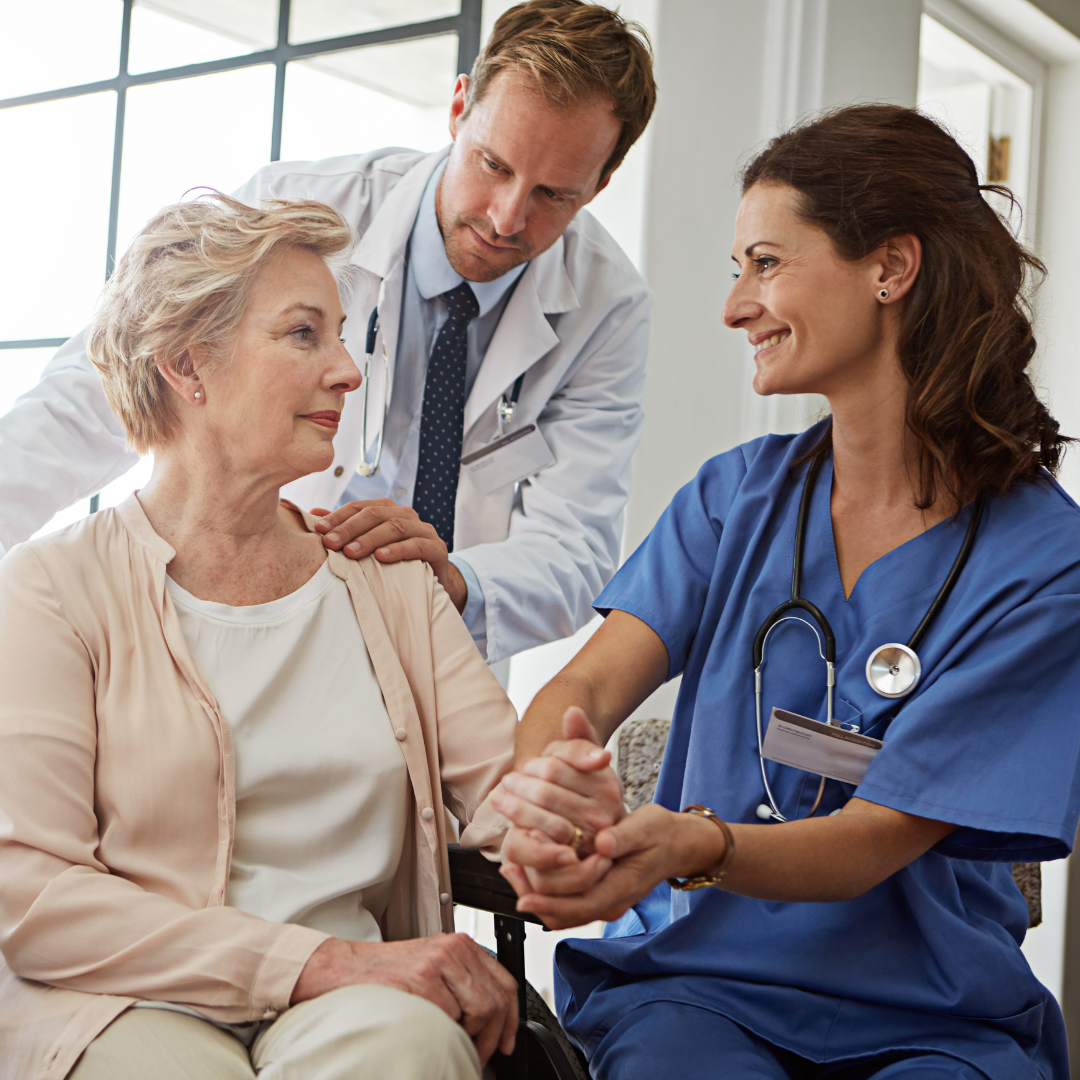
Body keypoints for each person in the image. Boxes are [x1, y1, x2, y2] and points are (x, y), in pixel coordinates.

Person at [489, 105, 1080, 1079]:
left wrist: (690, 842)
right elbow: (579, 694)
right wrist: (550, 791)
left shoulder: (1041, 562)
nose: (734, 307)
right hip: (704, 989)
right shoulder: (736, 500)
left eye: (765, 264)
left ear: (890, 268)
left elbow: (872, 840)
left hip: (934, 1012)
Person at [0, 193, 521, 1080]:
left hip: (352, 1004)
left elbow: (511, 793)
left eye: (343, 334)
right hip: (121, 999)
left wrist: (567, 813)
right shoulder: (48, 590)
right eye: (303, 334)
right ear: (186, 365)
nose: (349, 371)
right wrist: (319, 962)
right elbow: (36, 900)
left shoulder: (390, 578)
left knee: (410, 1047)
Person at [0, 0, 656, 673]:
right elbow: (96, 396)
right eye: (493, 164)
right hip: (244, 608)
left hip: (429, 649)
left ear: (600, 184)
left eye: (555, 195)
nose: (506, 217)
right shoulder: (297, 212)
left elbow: (573, 545)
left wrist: (449, 582)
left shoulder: (608, 307)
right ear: (459, 106)